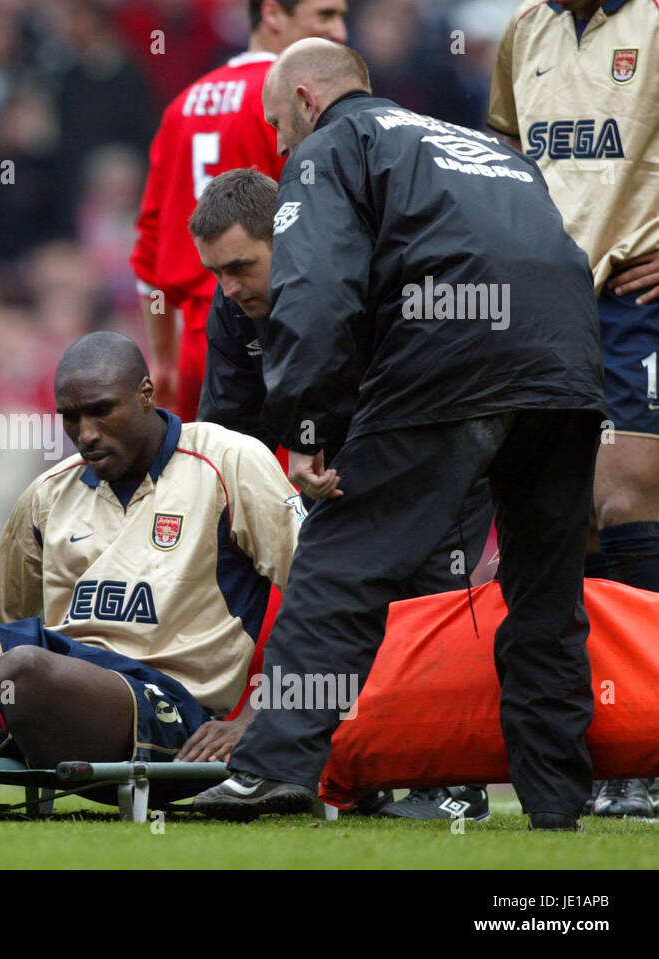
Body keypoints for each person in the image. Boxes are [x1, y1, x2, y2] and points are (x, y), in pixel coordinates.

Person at [193, 40, 605, 831]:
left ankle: (273, 769)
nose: (282, 148)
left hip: (455, 357)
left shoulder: (332, 148)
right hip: (565, 367)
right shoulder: (491, 150)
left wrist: (307, 425)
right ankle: (559, 804)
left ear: (309, 102)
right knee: (547, 598)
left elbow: (317, 293)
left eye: (281, 126)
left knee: (339, 566)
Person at [0, 331, 303, 804]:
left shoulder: (229, 460)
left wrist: (257, 718)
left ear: (145, 394)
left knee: (24, 668)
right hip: (51, 692)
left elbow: (316, 591)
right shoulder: (47, 494)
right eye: (71, 418)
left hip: (169, 714)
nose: (86, 433)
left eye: (101, 410)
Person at [193, 168, 494, 820]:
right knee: (327, 607)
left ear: (290, 239)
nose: (229, 287)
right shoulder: (231, 311)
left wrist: (324, 444)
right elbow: (228, 437)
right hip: (331, 476)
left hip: (439, 450)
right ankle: (344, 771)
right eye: (216, 271)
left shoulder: (370, 278)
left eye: (241, 265)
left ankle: (455, 786)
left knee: (426, 611)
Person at [488, 0, 659, 818]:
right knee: (569, 518)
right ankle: (601, 743)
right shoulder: (525, 30)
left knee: (629, 494)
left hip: (634, 296)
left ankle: (652, 748)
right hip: (546, 297)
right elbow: (503, 153)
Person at [131, 0, 347, 424]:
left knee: (219, 484)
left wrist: (165, 361)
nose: (338, 32)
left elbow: (147, 259)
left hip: (196, 353)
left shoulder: (181, 107)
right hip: (276, 345)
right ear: (272, 14)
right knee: (292, 485)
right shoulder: (295, 105)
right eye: (325, 16)